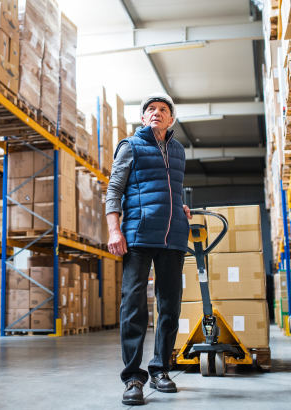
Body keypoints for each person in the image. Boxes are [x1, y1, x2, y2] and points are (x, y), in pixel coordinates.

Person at [106, 93, 192, 406]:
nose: (157, 113)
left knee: (170, 307)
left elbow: (168, 188)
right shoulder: (130, 146)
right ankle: (132, 378)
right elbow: (114, 190)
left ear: (171, 119)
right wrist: (114, 230)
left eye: (163, 110)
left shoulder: (179, 150)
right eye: (151, 110)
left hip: (173, 238)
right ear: (143, 118)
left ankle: (160, 370)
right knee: (134, 307)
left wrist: (179, 207)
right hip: (138, 237)